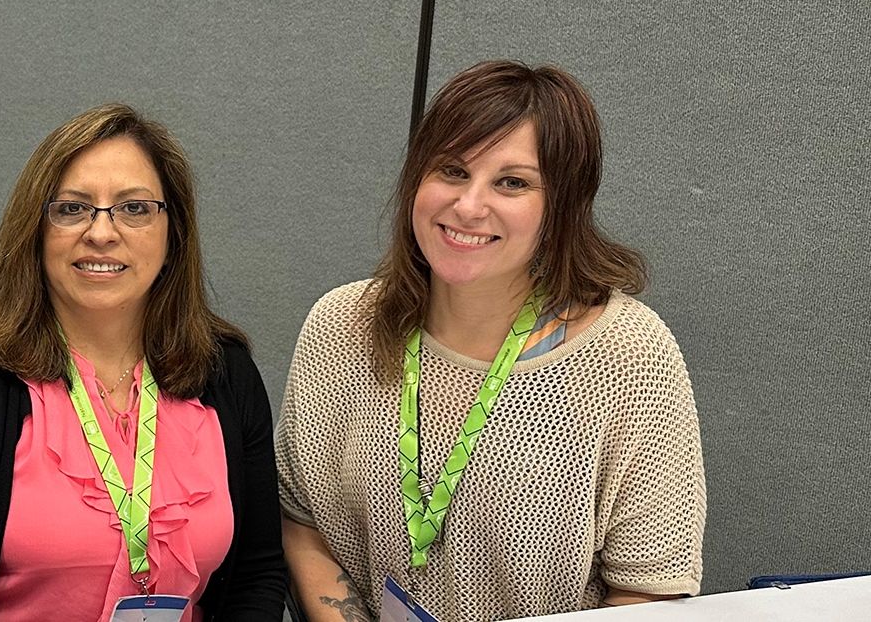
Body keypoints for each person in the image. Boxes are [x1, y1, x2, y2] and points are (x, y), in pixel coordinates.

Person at [276, 61, 706, 622]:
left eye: (512, 182)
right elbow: (302, 522)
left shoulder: (628, 356)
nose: (469, 206)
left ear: (563, 205)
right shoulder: (341, 325)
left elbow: (649, 591)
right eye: (452, 170)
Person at [0, 103, 287, 621]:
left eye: (134, 208)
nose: (101, 233)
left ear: (173, 232)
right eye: (72, 209)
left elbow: (258, 575)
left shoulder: (224, 370)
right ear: (36, 231)